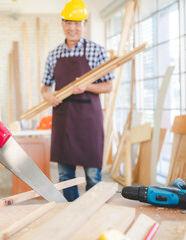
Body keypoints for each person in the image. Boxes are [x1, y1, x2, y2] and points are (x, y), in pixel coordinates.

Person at [41, 0, 114, 202]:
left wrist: (87, 86)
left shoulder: (97, 51)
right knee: (65, 176)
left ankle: (93, 214)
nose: (72, 28)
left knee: (92, 176)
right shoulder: (54, 54)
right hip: (64, 121)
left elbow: (108, 86)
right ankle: (70, 214)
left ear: (85, 25)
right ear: (62, 23)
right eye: (68, 23)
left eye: (77, 23)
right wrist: (47, 96)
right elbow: (45, 87)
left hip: (88, 122)